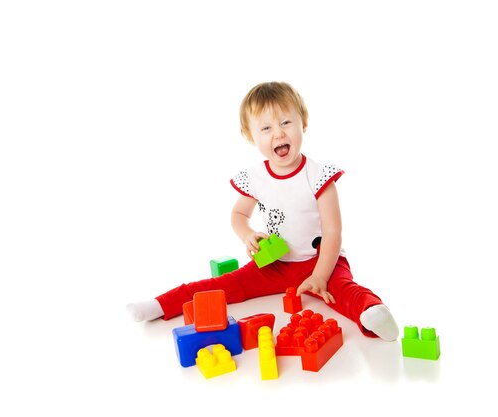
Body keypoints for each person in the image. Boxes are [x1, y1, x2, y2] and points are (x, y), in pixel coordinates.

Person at [126, 81, 399, 341]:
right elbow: (238, 215)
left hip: (321, 261)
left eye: (286, 123)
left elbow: (333, 232)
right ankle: (161, 304)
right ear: (250, 136)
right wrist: (248, 235)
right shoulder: (256, 178)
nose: (278, 133)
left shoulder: (318, 177)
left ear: (303, 123)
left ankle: (372, 313)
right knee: (225, 284)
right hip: (275, 264)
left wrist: (319, 276)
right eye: (266, 128)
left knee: (343, 290)